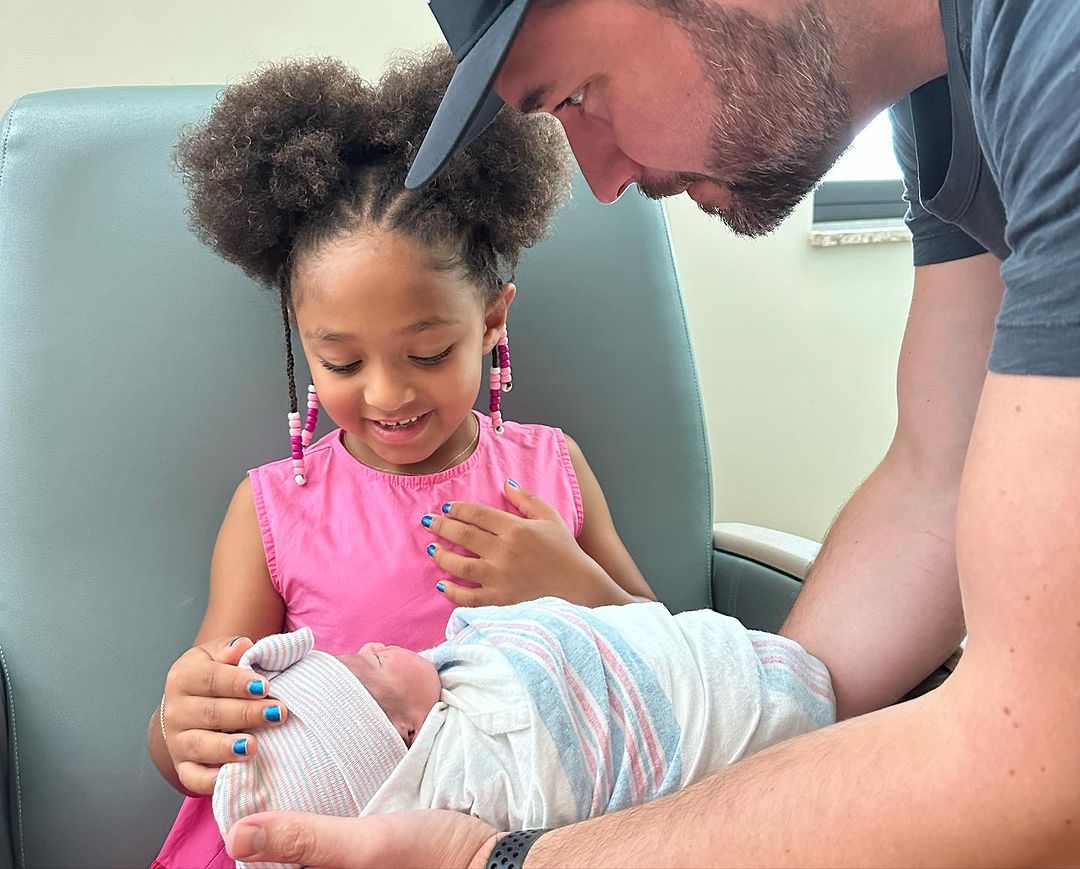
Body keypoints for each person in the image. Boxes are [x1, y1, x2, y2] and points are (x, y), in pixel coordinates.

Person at [224, 0, 1080, 866]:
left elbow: (1042, 761)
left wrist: (497, 858)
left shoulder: (1056, 57)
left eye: (579, 97)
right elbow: (940, 469)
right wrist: (745, 711)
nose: (601, 180)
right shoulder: (949, 107)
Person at [146, 48, 658, 869]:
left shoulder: (552, 471)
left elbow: (670, 659)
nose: (386, 394)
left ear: (494, 321)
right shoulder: (275, 508)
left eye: (429, 351)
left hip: (532, 830)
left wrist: (577, 587)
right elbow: (197, 742)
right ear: (301, 343)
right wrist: (181, 723)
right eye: (343, 363)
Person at [213, 600, 832, 868]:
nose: (369, 646)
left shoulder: (557, 460)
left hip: (727, 663)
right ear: (405, 739)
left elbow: (602, 631)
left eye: (430, 353)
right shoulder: (478, 772)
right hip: (763, 729)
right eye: (364, 667)